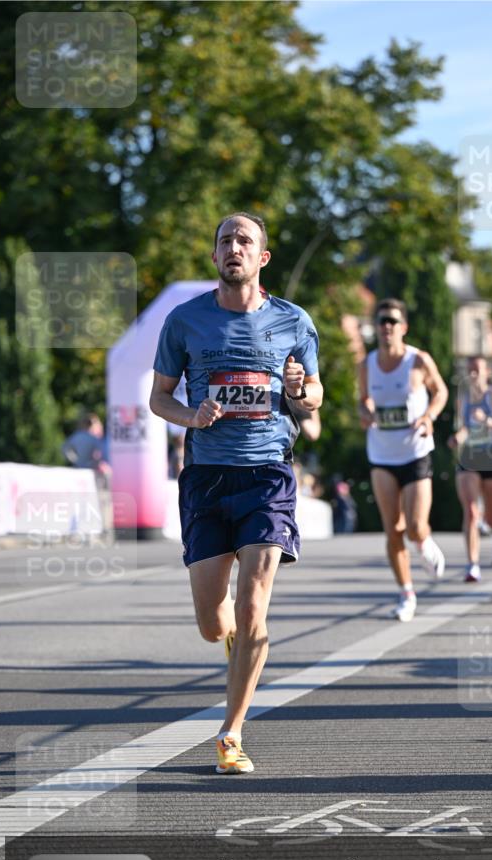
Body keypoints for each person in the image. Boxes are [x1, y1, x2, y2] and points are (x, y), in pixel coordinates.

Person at [149, 212, 322, 774]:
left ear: (262, 257)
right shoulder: (184, 321)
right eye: (224, 239)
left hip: (268, 475)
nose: (233, 247)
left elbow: (314, 397)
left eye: (244, 240)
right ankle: (229, 644)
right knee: (212, 623)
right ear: (215, 254)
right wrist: (192, 417)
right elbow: (159, 399)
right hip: (206, 478)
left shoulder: (294, 322)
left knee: (253, 610)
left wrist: (300, 391)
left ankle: (231, 733)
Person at [359, 298, 448, 622]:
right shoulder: (366, 364)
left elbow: (441, 392)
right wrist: (365, 412)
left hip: (415, 452)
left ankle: (424, 544)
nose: (387, 327)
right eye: (382, 321)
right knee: (392, 529)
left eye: (393, 321)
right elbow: (363, 400)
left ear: (403, 327)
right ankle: (406, 593)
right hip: (382, 453)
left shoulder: (418, 361)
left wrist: (429, 416)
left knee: (414, 526)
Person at [449, 356, 492, 582]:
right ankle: (472, 565)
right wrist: (457, 437)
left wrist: (489, 421)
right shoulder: (463, 398)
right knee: (470, 511)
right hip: (469, 457)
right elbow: (465, 427)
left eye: (477, 370)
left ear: (486, 372)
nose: (473, 375)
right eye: (470, 371)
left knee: (489, 517)